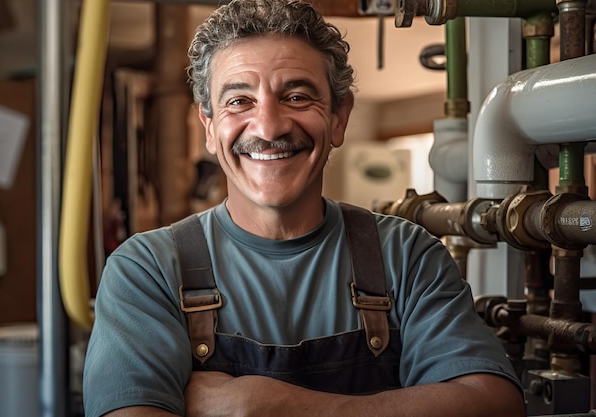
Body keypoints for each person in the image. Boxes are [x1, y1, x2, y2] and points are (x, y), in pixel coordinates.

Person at [82, 0, 526, 416]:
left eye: (297, 96)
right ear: (209, 127)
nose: (270, 126)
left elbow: (493, 403)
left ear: (338, 117)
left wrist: (275, 404)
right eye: (239, 101)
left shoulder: (406, 255)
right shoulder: (148, 270)